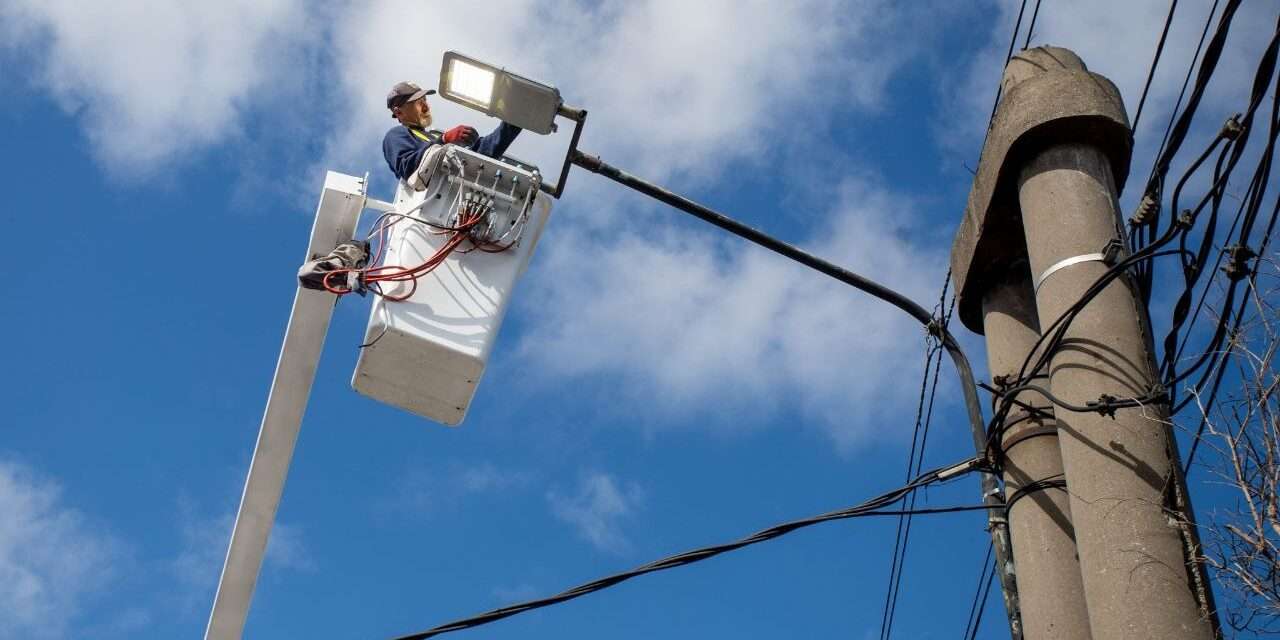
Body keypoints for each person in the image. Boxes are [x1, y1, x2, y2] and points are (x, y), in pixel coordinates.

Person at [382, 81, 521, 182]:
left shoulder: (431, 137)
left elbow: (481, 154)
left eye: (424, 100)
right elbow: (409, 169)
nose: (426, 106)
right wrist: (444, 139)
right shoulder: (396, 135)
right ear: (399, 112)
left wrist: (515, 119)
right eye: (418, 103)